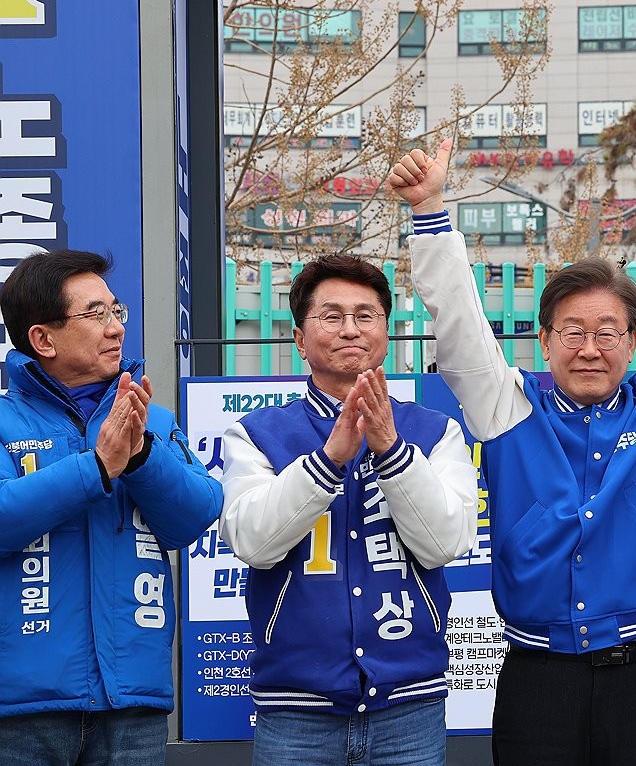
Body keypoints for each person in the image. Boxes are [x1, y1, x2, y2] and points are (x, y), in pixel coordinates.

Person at [387, 138, 636, 765]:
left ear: (632, 343)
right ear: (545, 340)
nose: (590, 347)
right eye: (573, 331)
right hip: (535, 678)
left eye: (608, 332)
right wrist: (431, 213)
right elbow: (461, 332)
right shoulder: (508, 411)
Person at [219, 255, 478, 766]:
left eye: (366, 315)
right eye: (331, 316)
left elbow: (446, 542)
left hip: (409, 704)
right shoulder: (257, 434)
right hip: (295, 708)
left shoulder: (434, 430)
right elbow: (253, 542)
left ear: (386, 330)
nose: (350, 330)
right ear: (298, 337)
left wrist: (391, 452)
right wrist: (328, 459)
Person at [0, 250, 223, 765]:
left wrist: (142, 454)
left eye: (116, 310)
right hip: (23, 708)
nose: (116, 328)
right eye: (95, 315)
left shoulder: (151, 420)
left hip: (132, 702)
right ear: (43, 339)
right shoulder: (5, 421)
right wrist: (97, 467)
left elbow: (197, 513)